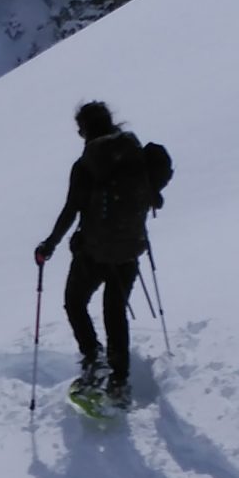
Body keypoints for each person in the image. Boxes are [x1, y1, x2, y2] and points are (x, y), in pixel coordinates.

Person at [32, 101, 156, 405]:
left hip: (93, 252)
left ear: (85, 129)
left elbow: (72, 209)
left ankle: (93, 359)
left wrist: (49, 245)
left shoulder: (87, 164)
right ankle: (119, 384)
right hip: (129, 249)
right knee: (115, 313)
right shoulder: (134, 155)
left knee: (75, 302)